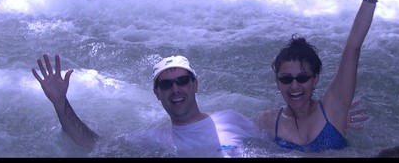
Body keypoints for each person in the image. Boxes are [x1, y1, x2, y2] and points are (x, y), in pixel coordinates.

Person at [32, 53, 369, 157]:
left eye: (182, 81)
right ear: (157, 94)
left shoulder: (234, 119)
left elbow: (289, 136)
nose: (175, 89)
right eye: (166, 84)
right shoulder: (156, 138)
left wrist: (327, 118)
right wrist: (61, 104)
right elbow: (93, 144)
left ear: (195, 84)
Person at [253, 0, 396, 153]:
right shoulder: (267, 122)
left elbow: (352, 48)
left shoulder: (333, 109)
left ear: (315, 79)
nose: (294, 85)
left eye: (302, 77)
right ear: (277, 82)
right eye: (286, 79)